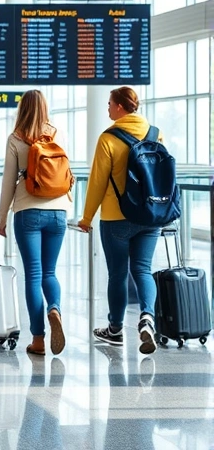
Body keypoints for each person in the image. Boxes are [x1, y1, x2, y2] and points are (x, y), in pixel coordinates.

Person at [77, 87, 162, 356]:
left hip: (117, 218)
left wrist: (87, 217)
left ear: (121, 108)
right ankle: (147, 318)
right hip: (151, 215)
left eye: (110, 104)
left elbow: (97, 182)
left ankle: (115, 330)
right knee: (143, 270)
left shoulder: (108, 138)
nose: (108, 109)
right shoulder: (155, 133)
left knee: (117, 273)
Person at [0, 90, 71, 356]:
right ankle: (55, 308)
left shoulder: (16, 137)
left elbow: (7, 182)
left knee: (33, 275)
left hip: (28, 210)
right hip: (59, 210)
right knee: (50, 273)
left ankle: (38, 340)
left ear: (22, 109)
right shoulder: (57, 132)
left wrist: (2, 217)